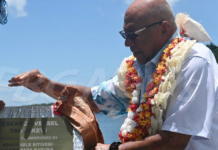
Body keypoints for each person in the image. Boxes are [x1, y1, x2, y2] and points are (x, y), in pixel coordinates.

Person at [8, 0, 218, 150]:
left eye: (132, 35)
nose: (127, 44)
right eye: (124, 35)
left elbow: (174, 142)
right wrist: (46, 85)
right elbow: (93, 99)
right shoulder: (137, 68)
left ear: (164, 29)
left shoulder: (195, 60)